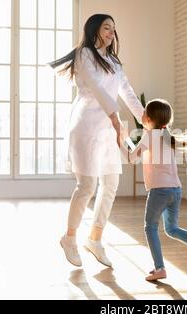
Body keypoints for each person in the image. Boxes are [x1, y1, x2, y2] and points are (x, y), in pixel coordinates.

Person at [48, 14, 144, 268]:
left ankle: (95, 239)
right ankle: (69, 238)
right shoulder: (84, 55)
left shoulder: (113, 61)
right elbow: (98, 89)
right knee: (87, 186)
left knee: (111, 183)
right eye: (107, 27)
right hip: (86, 127)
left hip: (108, 130)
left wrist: (146, 119)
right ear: (95, 30)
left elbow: (128, 92)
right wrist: (115, 119)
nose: (112, 32)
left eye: (113, 27)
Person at [122, 99, 187, 281]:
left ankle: (160, 269)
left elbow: (131, 158)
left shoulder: (149, 136)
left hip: (160, 191)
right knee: (171, 229)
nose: (141, 116)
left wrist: (121, 139)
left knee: (150, 228)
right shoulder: (167, 136)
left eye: (143, 114)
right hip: (176, 190)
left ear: (148, 119)